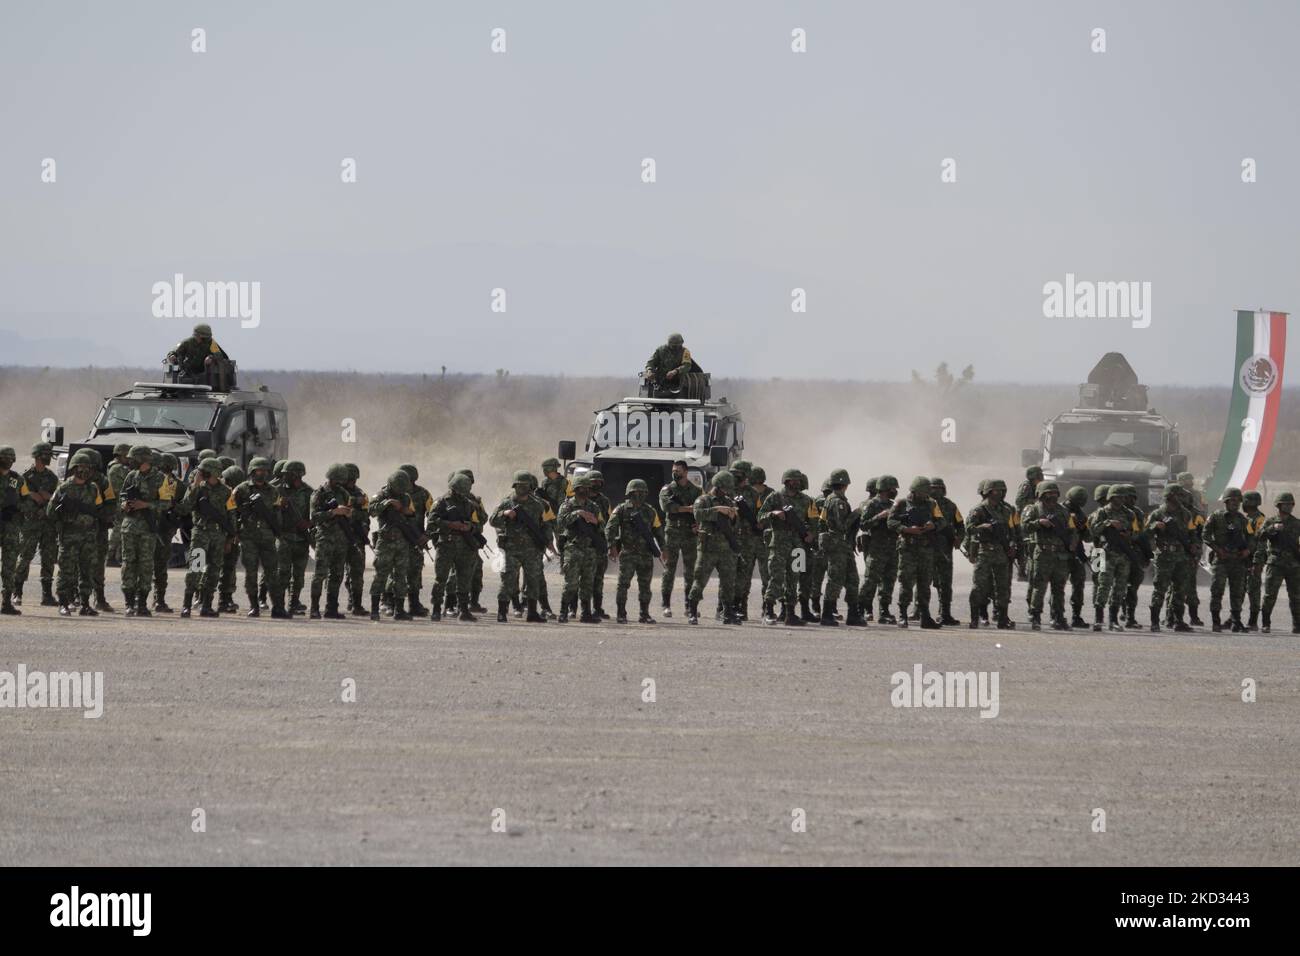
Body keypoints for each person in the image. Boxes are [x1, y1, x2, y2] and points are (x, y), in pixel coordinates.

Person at [758, 469, 819, 626]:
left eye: (799, 480)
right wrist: (773, 513)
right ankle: (769, 610)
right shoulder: (775, 497)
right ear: (786, 481)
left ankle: (790, 613)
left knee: (794, 578)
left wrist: (811, 534)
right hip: (778, 543)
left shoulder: (807, 500)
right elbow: (760, 517)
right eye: (793, 480)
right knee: (776, 577)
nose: (797, 483)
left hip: (798, 545)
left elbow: (814, 521)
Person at [47, 450, 105, 617]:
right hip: (70, 537)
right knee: (66, 571)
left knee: (87, 571)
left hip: (88, 537)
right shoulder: (63, 488)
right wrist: (64, 518)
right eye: (81, 467)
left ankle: (85, 604)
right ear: (73, 468)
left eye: (87, 467)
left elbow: (97, 509)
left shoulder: (93, 488)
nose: (84, 470)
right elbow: (51, 512)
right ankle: (63, 603)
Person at [119, 446, 173, 616]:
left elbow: (166, 503)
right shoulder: (131, 476)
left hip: (148, 530)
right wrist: (124, 504)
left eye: (133, 458)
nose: (130, 461)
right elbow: (122, 495)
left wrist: (147, 505)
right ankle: (129, 602)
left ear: (143, 460)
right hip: (129, 527)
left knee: (145, 565)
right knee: (128, 564)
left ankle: (142, 603)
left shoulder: (160, 479)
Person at [178, 458, 235, 617]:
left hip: (218, 534)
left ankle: (207, 605)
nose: (200, 473)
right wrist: (195, 485)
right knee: (195, 567)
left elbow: (231, 515)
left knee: (214, 569)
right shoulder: (197, 489)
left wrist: (230, 538)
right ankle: (187, 605)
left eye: (203, 471)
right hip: (200, 533)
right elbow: (184, 508)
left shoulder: (226, 491)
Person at [491, 472, 549, 623]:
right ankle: (502, 612)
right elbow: (492, 520)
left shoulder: (537, 505)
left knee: (533, 581)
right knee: (508, 581)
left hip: (532, 550)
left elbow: (545, 526)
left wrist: (546, 543)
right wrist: (505, 514)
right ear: (515, 486)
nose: (522, 489)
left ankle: (532, 613)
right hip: (512, 549)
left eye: (525, 486)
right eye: (519, 486)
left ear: (530, 487)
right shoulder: (506, 502)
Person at [232, 457, 287, 619]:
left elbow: (277, 514)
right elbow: (233, 513)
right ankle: (254, 606)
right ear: (252, 471)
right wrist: (235, 533)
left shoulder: (273, 491)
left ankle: (278, 607)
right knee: (251, 573)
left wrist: (278, 530)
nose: (262, 473)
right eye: (258, 470)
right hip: (248, 537)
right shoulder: (241, 490)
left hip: (267, 537)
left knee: (272, 573)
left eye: (264, 471)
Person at [606, 479, 665, 623]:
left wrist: (664, 548)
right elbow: (610, 528)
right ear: (630, 493)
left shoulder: (650, 511)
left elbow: (658, 531)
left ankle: (644, 614)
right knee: (623, 585)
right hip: (628, 553)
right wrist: (612, 546)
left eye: (642, 492)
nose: (639, 495)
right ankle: (621, 613)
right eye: (635, 492)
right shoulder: (621, 509)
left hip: (646, 554)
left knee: (645, 586)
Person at [428, 473, 484, 622]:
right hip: (446, 545)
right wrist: (450, 524)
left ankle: (463, 610)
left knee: (464, 579)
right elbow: (431, 523)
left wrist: (469, 527)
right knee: (441, 578)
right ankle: (436, 609)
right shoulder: (440, 503)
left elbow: (477, 524)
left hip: (465, 546)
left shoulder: (469, 504)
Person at [965, 479, 1020, 630]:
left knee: (1003, 587)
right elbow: (969, 529)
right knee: (979, 586)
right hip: (984, 552)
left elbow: (1012, 531)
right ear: (989, 492)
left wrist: (1012, 545)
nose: (1001, 493)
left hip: (1002, 552)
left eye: (1002, 490)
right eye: (997, 490)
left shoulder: (1006, 510)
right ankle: (974, 618)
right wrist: (982, 527)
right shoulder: (979, 510)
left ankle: (1002, 619)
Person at [1019, 481, 1075, 631]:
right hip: (1043, 553)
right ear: (1041, 494)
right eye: (1048, 493)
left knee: (1059, 588)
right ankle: (1035, 616)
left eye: (1055, 493)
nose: (1052, 496)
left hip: (1060, 555)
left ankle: (1058, 617)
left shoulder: (1063, 511)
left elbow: (1072, 530)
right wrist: (1039, 522)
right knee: (1039, 587)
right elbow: (1024, 526)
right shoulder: (1033, 509)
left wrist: (1072, 544)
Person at [687, 471, 741, 625]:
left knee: (728, 583)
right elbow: (698, 515)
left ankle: (727, 612)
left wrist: (733, 517)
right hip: (707, 549)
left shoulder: (730, 502)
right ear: (717, 486)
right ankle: (692, 611)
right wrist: (717, 510)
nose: (726, 491)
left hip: (726, 549)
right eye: (724, 488)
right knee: (699, 581)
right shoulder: (703, 499)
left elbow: (737, 525)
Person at [1087, 484, 1140, 632]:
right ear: (1111, 497)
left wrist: (1127, 534)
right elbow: (1093, 531)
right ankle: (1098, 619)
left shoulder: (1130, 514)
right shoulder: (1102, 512)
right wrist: (1108, 524)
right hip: (1104, 553)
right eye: (1118, 497)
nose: (1121, 499)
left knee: (1120, 588)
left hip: (1123, 554)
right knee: (1102, 585)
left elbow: (1136, 533)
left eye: (1123, 497)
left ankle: (1113, 620)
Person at [13, 442, 59, 607]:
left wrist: (48, 498)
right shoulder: (24, 478)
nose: (47, 458)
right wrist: (32, 496)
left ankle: (47, 595)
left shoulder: (52, 478)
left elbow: (58, 501)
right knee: (25, 556)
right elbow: (17, 501)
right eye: (45, 455)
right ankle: (17, 591)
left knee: (48, 557)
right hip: (30, 523)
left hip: (47, 524)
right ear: (37, 456)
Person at [1144, 485, 1195, 632]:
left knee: (1180, 589)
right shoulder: (1157, 513)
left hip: (1181, 556)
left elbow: (1192, 534)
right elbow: (1145, 533)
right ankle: (1155, 621)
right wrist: (1155, 526)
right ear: (1170, 496)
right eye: (1179, 495)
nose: (1181, 498)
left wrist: (1194, 547)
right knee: (1160, 588)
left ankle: (1178, 620)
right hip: (1165, 556)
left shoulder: (1186, 514)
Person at [368, 470, 417, 621]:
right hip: (386, 541)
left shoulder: (405, 497)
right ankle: (375, 609)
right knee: (380, 575)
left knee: (401, 576)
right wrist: (387, 503)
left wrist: (402, 509)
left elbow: (410, 513)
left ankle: (400, 610)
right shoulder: (380, 495)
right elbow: (371, 511)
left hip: (402, 542)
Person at [309, 464, 356, 619]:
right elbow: (314, 517)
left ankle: (331, 608)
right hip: (325, 538)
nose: (340, 483)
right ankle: (314, 608)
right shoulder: (319, 494)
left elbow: (349, 511)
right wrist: (333, 512)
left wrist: (348, 513)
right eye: (337, 480)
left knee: (337, 574)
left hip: (341, 539)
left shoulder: (343, 493)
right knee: (320, 574)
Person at [819, 469, 865, 626]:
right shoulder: (837, 501)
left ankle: (853, 614)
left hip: (843, 546)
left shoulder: (835, 499)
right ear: (845, 483)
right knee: (835, 579)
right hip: (837, 545)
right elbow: (842, 526)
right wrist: (858, 512)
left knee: (853, 579)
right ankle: (826, 615)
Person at [1204, 487, 1252, 633]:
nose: (1235, 503)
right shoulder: (1215, 517)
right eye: (1232, 500)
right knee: (1217, 591)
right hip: (1221, 560)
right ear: (1225, 501)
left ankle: (1236, 621)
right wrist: (1218, 550)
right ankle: (1216, 621)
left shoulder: (1243, 520)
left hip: (1237, 560)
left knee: (1237, 592)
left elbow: (1251, 538)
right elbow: (1205, 536)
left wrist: (1247, 550)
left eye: (1238, 501)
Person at [556, 476, 602, 623]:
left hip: (589, 549)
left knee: (588, 583)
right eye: (582, 488)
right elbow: (561, 522)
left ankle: (586, 613)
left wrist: (596, 522)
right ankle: (563, 612)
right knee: (571, 583)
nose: (585, 491)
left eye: (588, 488)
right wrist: (578, 514)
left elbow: (602, 525)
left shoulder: (594, 506)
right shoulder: (567, 505)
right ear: (576, 490)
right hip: (573, 548)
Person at [659, 460, 701, 618]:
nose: (674, 473)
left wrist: (697, 524)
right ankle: (666, 604)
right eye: (673, 470)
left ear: (686, 472)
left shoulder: (696, 491)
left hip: (690, 534)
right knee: (669, 569)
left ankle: (689, 605)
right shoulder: (668, 489)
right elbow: (666, 507)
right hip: (673, 533)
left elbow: (700, 509)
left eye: (678, 471)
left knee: (690, 571)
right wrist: (687, 509)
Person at [856, 475, 900, 624]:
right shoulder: (872, 504)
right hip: (877, 548)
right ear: (885, 489)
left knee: (888, 581)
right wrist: (879, 517)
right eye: (893, 488)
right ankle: (860, 610)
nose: (895, 491)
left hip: (892, 548)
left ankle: (884, 611)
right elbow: (863, 525)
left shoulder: (894, 505)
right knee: (870, 581)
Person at [1259, 491, 1300, 634]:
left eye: (1291, 504)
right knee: (1270, 595)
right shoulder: (1271, 521)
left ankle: (1297, 625)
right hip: (1275, 563)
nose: (1289, 506)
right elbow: (1260, 535)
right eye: (1286, 504)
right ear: (1279, 505)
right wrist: (1273, 529)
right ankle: (1265, 623)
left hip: (1294, 564)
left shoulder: (1297, 523)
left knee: (1296, 596)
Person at [276, 461, 312, 615]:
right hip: (284, 537)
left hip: (302, 538)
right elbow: (269, 508)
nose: (285, 477)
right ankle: (279, 604)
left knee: (299, 575)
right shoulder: (278, 490)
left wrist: (309, 523)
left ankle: (294, 602)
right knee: (283, 572)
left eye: (288, 474)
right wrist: (279, 504)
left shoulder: (309, 492)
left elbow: (316, 512)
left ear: (297, 475)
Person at [929, 477, 965, 626]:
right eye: (933, 488)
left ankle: (945, 613)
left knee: (945, 583)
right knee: (923, 581)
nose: (936, 491)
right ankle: (919, 610)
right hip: (927, 548)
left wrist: (959, 539)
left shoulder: (951, 506)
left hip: (945, 549)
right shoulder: (925, 505)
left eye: (938, 488)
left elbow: (961, 526)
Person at [166, 323, 233, 385]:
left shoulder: (211, 343)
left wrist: (211, 357)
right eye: (203, 338)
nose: (205, 340)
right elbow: (173, 352)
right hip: (186, 371)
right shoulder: (187, 343)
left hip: (203, 372)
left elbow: (222, 356)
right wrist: (172, 356)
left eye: (207, 338)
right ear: (196, 336)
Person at [0, 446, 24, 614]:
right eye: (5, 458)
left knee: (9, 565)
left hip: (10, 528)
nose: (8, 461)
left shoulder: (17, 479)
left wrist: (16, 508)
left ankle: (6, 601)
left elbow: (27, 499)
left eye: (11, 458)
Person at [1242, 490, 1267, 631]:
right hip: (1245, 559)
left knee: (1253, 590)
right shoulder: (1248, 518)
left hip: (1253, 559)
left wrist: (1256, 562)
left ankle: (1253, 621)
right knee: (1240, 589)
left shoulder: (1259, 520)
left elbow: (1260, 542)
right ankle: (1235, 618)